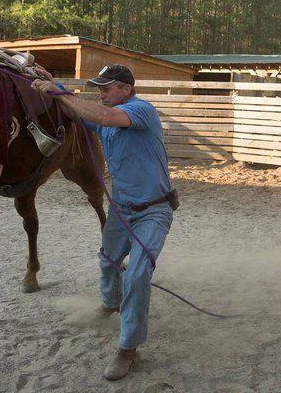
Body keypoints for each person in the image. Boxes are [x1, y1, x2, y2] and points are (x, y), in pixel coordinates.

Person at [32, 64, 174, 381]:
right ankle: (111, 302)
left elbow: (100, 116)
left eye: (106, 87)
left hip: (154, 210)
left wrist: (59, 91)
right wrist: (48, 86)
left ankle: (128, 348)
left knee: (137, 273)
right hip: (122, 209)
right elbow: (74, 111)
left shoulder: (140, 110)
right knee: (108, 260)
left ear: (126, 88)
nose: (101, 92)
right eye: (99, 88)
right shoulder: (105, 119)